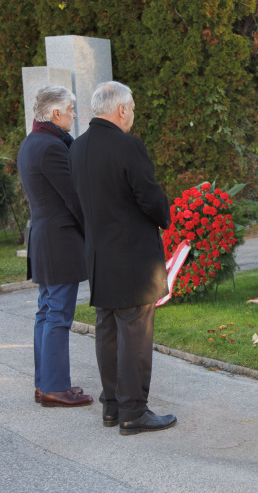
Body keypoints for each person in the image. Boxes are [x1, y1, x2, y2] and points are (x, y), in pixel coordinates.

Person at [69, 81, 175, 435]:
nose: (132, 114)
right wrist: (165, 215)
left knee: (107, 330)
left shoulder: (77, 147)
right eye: (131, 108)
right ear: (121, 110)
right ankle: (134, 411)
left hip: (98, 255)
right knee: (134, 333)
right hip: (132, 259)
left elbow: (77, 203)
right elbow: (150, 197)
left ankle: (112, 406)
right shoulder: (128, 146)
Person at [17, 85, 93, 408]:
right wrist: (94, 230)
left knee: (46, 312)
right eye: (71, 110)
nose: (75, 115)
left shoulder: (31, 142)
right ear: (55, 113)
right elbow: (72, 197)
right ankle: (55, 387)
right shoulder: (51, 147)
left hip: (45, 238)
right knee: (57, 314)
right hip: (59, 241)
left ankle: (44, 383)